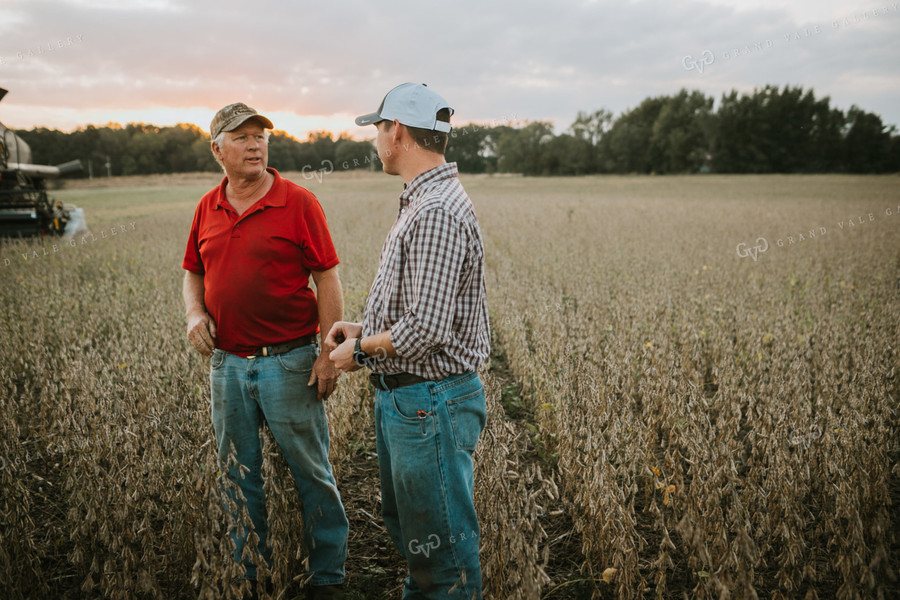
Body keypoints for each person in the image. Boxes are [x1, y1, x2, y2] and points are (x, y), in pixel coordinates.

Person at [327, 83, 490, 599]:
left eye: (377, 129)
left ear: (396, 131)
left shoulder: (435, 209)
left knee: (442, 564)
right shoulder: (425, 198)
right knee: (420, 545)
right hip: (414, 402)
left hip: (428, 403)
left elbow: (426, 330)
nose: (375, 140)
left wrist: (357, 353)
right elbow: (418, 312)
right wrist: (363, 329)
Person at [182, 102, 348, 600]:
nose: (255, 145)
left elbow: (327, 278)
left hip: (290, 361)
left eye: (261, 136)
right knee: (238, 473)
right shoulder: (206, 207)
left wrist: (327, 353)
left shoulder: (299, 202)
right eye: (242, 137)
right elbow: (193, 272)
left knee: (311, 472)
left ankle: (328, 577)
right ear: (218, 150)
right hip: (227, 364)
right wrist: (195, 315)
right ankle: (251, 572)